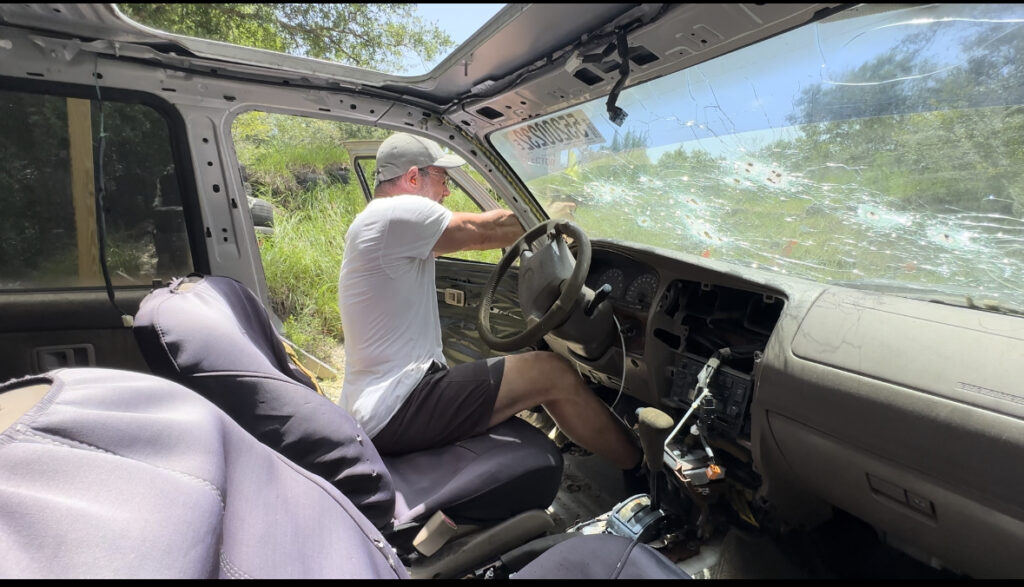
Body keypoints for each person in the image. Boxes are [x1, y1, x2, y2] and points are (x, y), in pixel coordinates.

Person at [337, 133, 642, 474]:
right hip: (397, 405)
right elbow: (482, 231)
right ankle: (642, 466)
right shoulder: (395, 213)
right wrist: (548, 212)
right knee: (551, 371)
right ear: (412, 177)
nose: (447, 191)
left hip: (381, 406)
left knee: (524, 373)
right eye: (442, 179)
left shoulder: (378, 224)